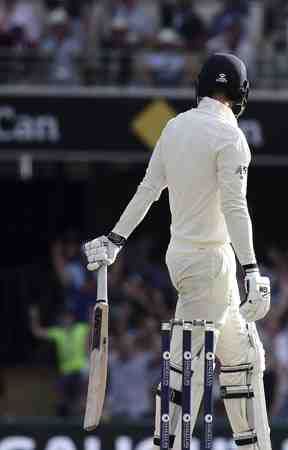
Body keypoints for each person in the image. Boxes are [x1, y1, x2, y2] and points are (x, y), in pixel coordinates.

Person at [83, 53, 272, 450]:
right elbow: (235, 207)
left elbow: (148, 191)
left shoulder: (173, 127)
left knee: (243, 359)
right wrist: (252, 267)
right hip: (210, 264)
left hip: (187, 258)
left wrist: (115, 240)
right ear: (240, 94)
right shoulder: (230, 136)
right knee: (187, 372)